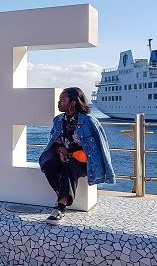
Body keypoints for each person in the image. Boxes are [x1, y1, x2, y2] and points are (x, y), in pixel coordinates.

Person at [39, 87, 116, 225]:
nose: (59, 103)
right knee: (48, 164)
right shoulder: (58, 120)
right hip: (65, 157)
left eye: (63, 100)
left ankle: (60, 208)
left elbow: (98, 148)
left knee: (69, 167)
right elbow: (54, 143)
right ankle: (62, 193)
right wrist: (60, 152)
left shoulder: (89, 121)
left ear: (73, 103)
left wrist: (70, 153)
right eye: (59, 99)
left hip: (83, 161)